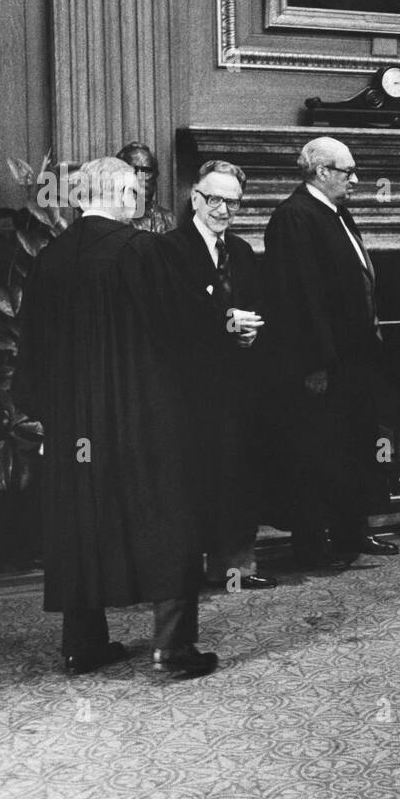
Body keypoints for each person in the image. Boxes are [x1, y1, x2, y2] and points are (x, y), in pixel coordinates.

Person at [20, 157, 217, 677]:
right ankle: (172, 648)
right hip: (143, 410)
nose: (141, 199)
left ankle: (81, 645)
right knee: (166, 513)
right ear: (125, 193)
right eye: (137, 190)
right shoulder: (142, 250)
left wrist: (44, 415)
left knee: (80, 519)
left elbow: (31, 347)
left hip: (72, 420)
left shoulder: (50, 257)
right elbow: (182, 329)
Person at [260, 137, 398, 568]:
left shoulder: (334, 212)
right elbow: (298, 299)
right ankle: (311, 544)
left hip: (353, 361)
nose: (355, 179)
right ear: (321, 171)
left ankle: (350, 532)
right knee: (315, 453)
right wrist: (315, 363)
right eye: (348, 171)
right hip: (322, 365)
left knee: (352, 447)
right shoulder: (294, 218)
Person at [161, 161, 276, 592]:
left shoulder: (243, 252)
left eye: (233, 202)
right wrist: (227, 324)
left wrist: (250, 334)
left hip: (238, 386)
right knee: (193, 481)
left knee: (237, 478)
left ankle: (234, 569)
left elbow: (257, 308)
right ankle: (185, 571)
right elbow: (174, 316)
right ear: (195, 198)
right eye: (215, 199)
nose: (224, 209)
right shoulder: (170, 249)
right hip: (189, 389)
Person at [117, 141, 175, 234]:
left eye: (146, 171)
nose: (140, 177)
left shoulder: (169, 220)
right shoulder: (111, 218)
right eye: (133, 170)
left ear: (155, 176)